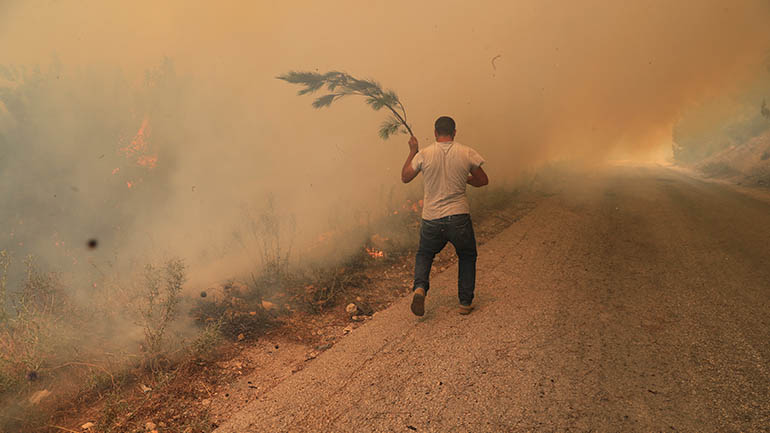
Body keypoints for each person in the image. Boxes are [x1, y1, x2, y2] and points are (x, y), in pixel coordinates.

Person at [401, 116, 488, 316]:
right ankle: (465, 303)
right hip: (458, 216)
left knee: (425, 254)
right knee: (467, 255)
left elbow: (405, 177)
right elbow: (483, 180)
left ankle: (420, 288)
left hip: (431, 217)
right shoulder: (466, 152)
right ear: (454, 132)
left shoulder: (424, 154)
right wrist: (465, 179)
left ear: (434, 133)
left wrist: (412, 151)